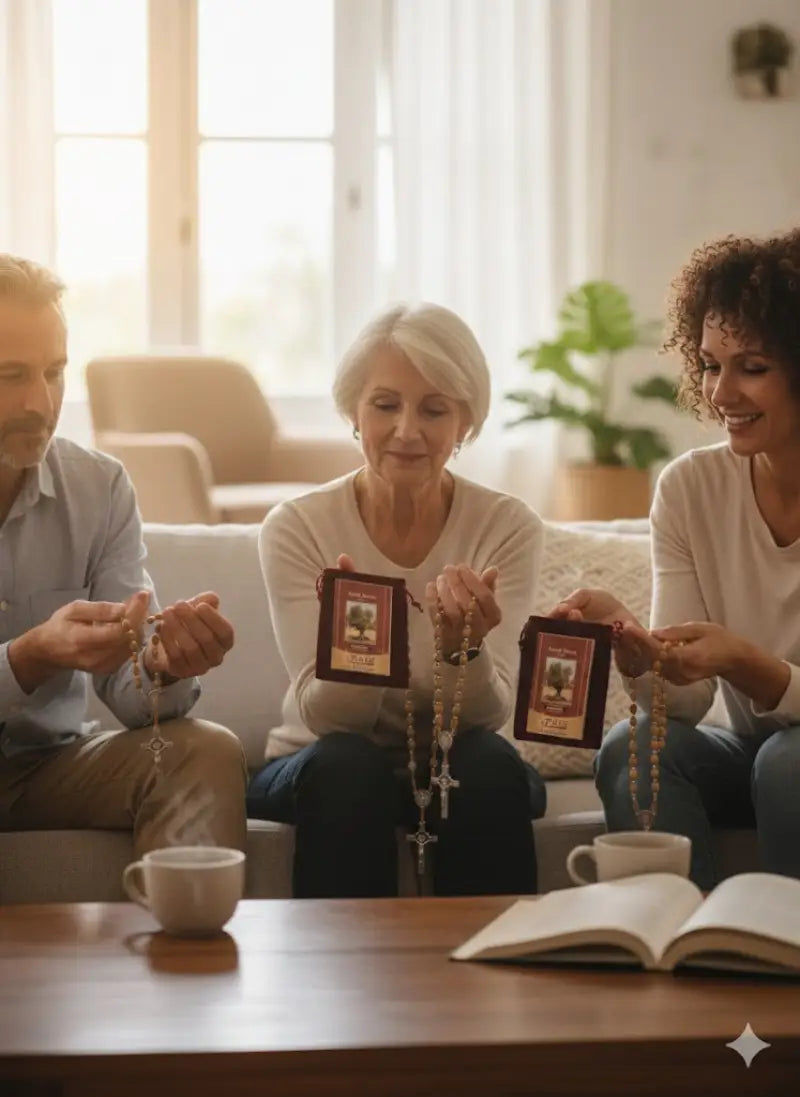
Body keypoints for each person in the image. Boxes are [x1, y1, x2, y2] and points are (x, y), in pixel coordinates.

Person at [248, 302, 546, 898]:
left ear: (465, 423)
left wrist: (463, 654)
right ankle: (351, 959)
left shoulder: (508, 527)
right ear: (353, 412)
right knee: (347, 765)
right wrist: (364, 642)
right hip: (320, 760)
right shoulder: (297, 527)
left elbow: (489, 716)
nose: (407, 430)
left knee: (485, 763)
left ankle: (493, 953)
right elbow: (329, 720)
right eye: (385, 405)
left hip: (454, 759)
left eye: (434, 410)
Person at [552, 226, 800, 890]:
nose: (721, 393)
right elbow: (683, 705)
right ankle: (679, 934)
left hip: (788, 760)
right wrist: (641, 649)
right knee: (633, 745)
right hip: (753, 753)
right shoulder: (691, 487)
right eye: (711, 365)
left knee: (788, 759)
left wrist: (746, 662)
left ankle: (779, 943)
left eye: (752, 367)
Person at [0, 253, 247, 856]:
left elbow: (131, 684)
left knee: (204, 751)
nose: (40, 403)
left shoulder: (100, 486)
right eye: (11, 375)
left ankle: (180, 923)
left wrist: (163, 665)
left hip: (45, 767)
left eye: (54, 372)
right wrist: (29, 657)